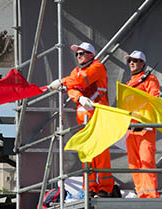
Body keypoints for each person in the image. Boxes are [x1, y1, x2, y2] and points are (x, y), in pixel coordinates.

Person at [48, 42, 114, 197]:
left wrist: (62, 81)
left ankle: (104, 188)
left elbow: (81, 81)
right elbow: (72, 89)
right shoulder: (75, 71)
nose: (79, 56)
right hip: (83, 117)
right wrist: (79, 98)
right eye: (77, 54)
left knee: (101, 152)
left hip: (98, 115)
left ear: (91, 55)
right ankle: (90, 188)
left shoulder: (97, 67)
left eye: (82, 53)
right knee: (86, 153)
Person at [123, 50, 160, 198]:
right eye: (130, 60)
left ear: (143, 63)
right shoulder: (130, 83)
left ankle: (150, 194)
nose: (132, 63)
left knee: (146, 160)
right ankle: (141, 193)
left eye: (135, 60)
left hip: (144, 128)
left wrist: (143, 121)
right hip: (131, 128)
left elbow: (154, 101)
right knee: (134, 163)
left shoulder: (150, 80)